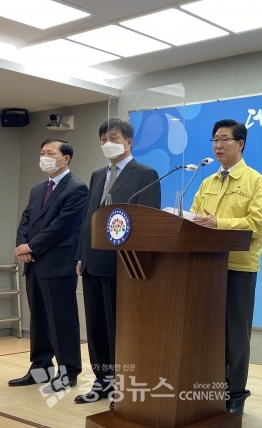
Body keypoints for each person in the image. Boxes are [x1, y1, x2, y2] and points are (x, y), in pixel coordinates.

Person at [74, 118, 161, 408]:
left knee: (119, 330)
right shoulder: (98, 174)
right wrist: (81, 255)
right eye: (102, 139)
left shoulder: (145, 174)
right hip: (92, 262)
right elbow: (88, 218)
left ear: (128, 142)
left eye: (112, 138)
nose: (106, 143)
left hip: (123, 265)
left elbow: (147, 220)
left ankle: (123, 387)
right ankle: (102, 382)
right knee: (96, 327)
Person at [190, 119, 262, 416]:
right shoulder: (207, 182)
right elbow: (194, 219)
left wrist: (218, 224)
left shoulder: (256, 182)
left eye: (225, 139)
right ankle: (211, 390)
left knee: (235, 336)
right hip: (206, 267)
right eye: (215, 139)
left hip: (238, 268)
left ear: (240, 144)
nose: (218, 145)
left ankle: (236, 395)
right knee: (208, 333)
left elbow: (256, 225)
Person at [9, 139, 87, 393]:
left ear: (65, 158)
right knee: (39, 319)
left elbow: (62, 226)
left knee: (61, 319)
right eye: (42, 152)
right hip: (34, 263)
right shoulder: (37, 189)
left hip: (58, 263)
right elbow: (26, 220)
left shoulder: (77, 188)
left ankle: (69, 371)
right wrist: (22, 245)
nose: (44, 157)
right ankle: (40, 369)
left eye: (50, 153)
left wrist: (31, 247)